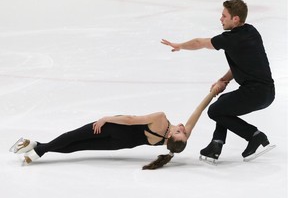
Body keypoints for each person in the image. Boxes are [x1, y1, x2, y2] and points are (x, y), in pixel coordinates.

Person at [161, 0, 275, 162]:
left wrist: (180, 45)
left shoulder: (230, 39)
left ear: (235, 19)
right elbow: (241, 64)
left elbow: (200, 42)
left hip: (255, 92)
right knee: (222, 103)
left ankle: (254, 136)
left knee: (215, 111)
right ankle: (216, 144)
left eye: (224, 16)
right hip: (266, 92)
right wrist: (224, 80)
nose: (221, 19)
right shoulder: (251, 31)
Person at [10, 87, 217, 170]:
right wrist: (213, 93)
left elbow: (129, 120)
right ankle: (38, 148)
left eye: (181, 131)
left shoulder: (161, 119)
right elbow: (198, 111)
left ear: (172, 135)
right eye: (184, 131)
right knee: (77, 147)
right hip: (118, 144)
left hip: (113, 129)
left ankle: (37, 149)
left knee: (71, 137)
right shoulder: (171, 142)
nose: (183, 128)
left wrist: (106, 118)